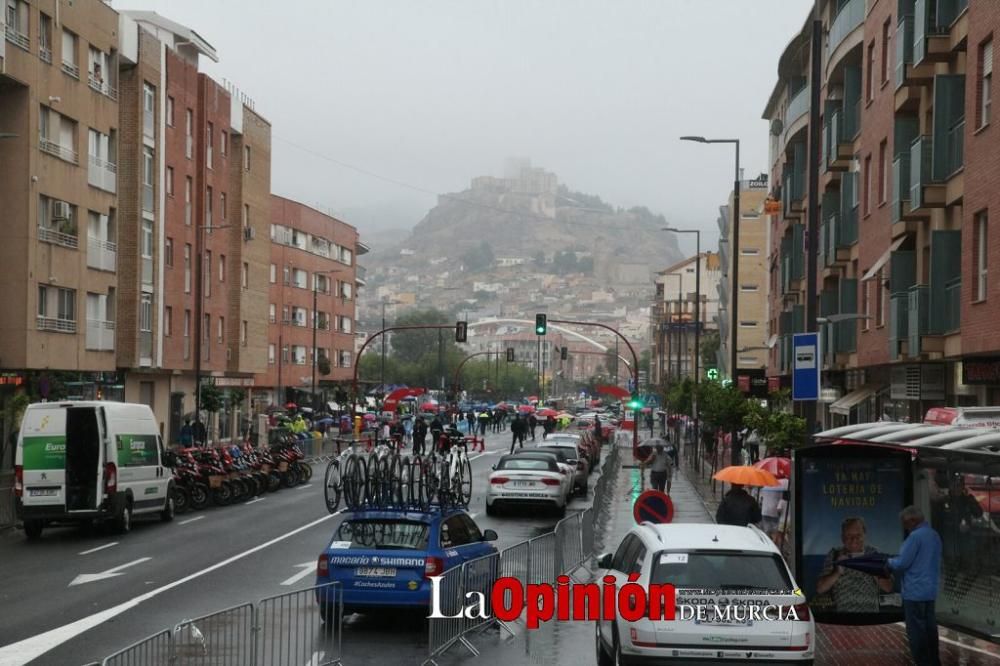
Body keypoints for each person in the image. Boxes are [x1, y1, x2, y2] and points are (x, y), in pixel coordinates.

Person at [888, 506, 942, 666]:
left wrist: (887, 562)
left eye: (905, 523)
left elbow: (902, 563)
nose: (904, 527)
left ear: (912, 520)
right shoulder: (934, 535)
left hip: (914, 592)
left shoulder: (915, 537)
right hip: (930, 592)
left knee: (917, 634)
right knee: (930, 632)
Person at [816, 517, 894, 613]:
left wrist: (874, 569)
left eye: (858, 535)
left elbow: (888, 587)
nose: (854, 540)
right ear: (842, 538)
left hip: (871, 619)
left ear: (864, 535)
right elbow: (820, 589)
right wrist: (837, 572)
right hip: (841, 618)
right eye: (849, 535)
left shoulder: (874, 554)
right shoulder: (834, 554)